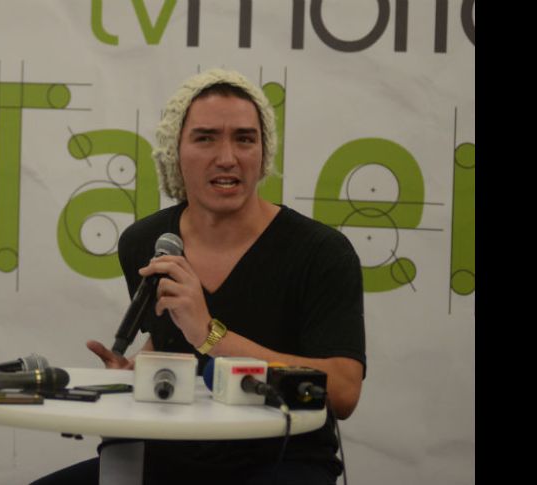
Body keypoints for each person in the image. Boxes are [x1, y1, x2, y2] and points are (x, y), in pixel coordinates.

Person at [34, 68, 366, 485]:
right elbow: (170, 342)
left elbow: (344, 391)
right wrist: (138, 371)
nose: (227, 157)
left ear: (264, 153)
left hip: (280, 459)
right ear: (175, 152)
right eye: (206, 138)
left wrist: (211, 336)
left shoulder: (320, 252)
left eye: (244, 139)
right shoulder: (145, 241)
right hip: (165, 455)